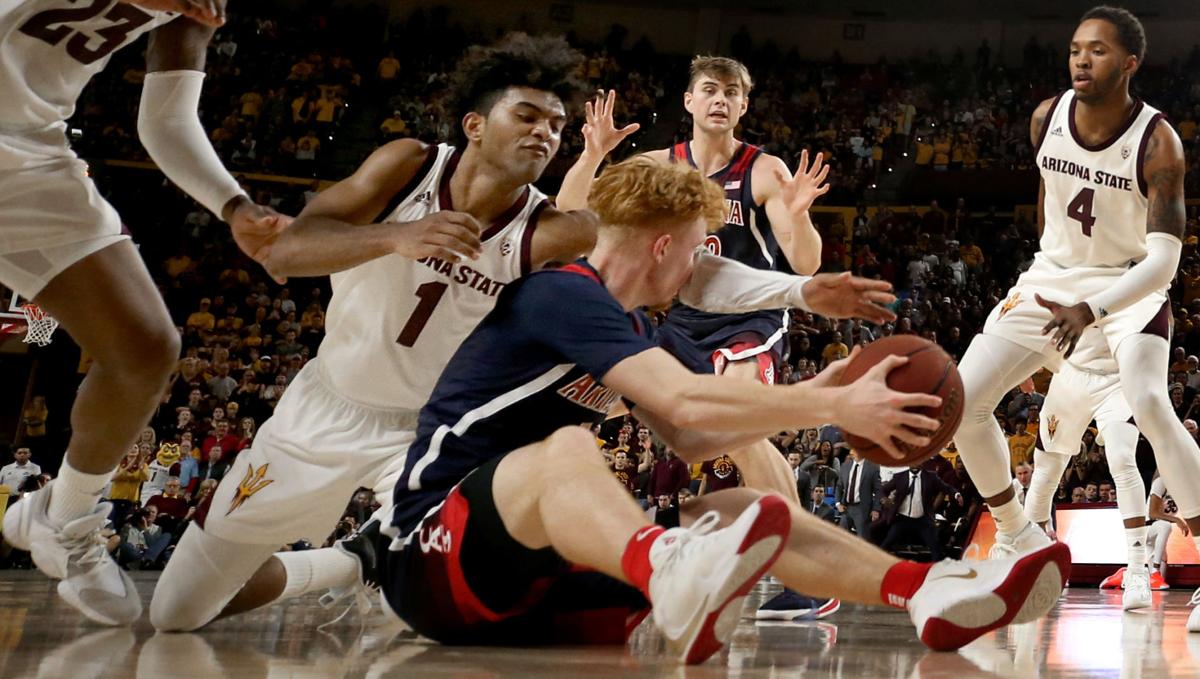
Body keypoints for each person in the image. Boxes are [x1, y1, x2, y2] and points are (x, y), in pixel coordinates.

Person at [150, 34, 892, 632]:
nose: (545, 132)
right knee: (178, 611)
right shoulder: (409, 165)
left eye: (557, 126)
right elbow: (286, 253)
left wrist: (801, 290)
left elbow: (685, 266)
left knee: (435, 584)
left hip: (435, 437)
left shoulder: (552, 228)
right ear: (475, 124)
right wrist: (396, 238)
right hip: (325, 406)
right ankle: (352, 562)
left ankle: (387, 555)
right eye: (528, 117)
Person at [287, 158, 1069, 659]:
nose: (699, 264)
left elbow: (695, 430)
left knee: (746, 508)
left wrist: (823, 399)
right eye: (697, 246)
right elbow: (678, 396)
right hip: (429, 551)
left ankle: (923, 588)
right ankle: (668, 570)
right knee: (568, 451)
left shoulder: (640, 329)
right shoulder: (560, 292)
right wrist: (832, 399)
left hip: (527, 576)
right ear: (663, 246)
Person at [0, 0, 287, 625]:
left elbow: (166, 118)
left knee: (145, 348)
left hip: (29, 157)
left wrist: (234, 206)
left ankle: (66, 516)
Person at [555, 57, 872, 621]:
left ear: (744, 105)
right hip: (679, 318)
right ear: (689, 101)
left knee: (739, 424)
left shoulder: (763, 169)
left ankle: (808, 568)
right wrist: (593, 154)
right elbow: (570, 212)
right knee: (619, 416)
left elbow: (806, 263)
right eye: (709, 89)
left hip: (749, 316)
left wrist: (798, 216)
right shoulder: (658, 165)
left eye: (731, 92)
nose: (720, 99)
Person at [948, 7, 1200, 631]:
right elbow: (1050, 211)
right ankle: (1017, 533)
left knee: (1150, 403)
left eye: (1099, 50)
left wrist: (1092, 309)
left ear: (1130, 63)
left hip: (1128, 286)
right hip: (1053, 280)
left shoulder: (1158, 141)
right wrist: (1054, 285)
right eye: (1075, 49)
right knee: (962, 401)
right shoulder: (1046, 117)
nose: (1082, 60)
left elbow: (1164, 262)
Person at [1021, 331, 1152, 610]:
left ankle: (1137, 570)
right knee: (1046, 472)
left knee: (1122, 459)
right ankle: (1025, 566)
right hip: (1072, 373)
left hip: (1118, 376)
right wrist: (1025, 361)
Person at [879, 465, 962, 561]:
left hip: (922, 519)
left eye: (917, 461)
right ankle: (877, 561)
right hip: (902, 519)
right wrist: (883, 499)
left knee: (935, 545)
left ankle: (938, 566)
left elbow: (946, 487)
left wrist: (956, 494)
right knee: (888, 541)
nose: (915, 464)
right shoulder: (900, 477)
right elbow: (882, 490)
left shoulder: (930, 477)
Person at [837, 448, 883, 539]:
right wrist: (838, 503)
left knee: (862, 537)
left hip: (862, 508)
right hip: (846, 507)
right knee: (840, 535)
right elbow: (839, 486)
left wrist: (876, 509)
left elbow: (878, 490)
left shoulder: (872, 468)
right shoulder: (845, 466)